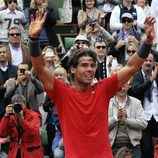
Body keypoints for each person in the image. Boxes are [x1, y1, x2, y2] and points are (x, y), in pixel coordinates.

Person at [28, 10, 155, 158]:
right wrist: (33, 39)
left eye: (92, 65)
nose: (90, 69)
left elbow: (131, 67)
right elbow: (40, 68)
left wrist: (147, 42)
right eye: (84, 65)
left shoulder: (103, 88)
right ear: (73, 69)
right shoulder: (62, 93)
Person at [108, 65, 147, 158]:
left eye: (124, 84)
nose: (122, 88)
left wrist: (126, 120)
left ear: (129, 85)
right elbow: (102, 127)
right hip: (113, 145)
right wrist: (116, 118)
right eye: (119, 85)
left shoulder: (136, 102)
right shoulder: (107, 103)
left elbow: (143, 124)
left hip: (132, 145)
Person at [130, 53, 158, 158]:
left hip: (156, 116)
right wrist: (151, 80)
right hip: (144, 117)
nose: (148, 63)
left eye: (150, 61)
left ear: (154, 63)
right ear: (141, 62)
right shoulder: (137, 76)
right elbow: (136, 91)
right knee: (146, 149)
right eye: (146, 60)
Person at [0, 94, 44, 158]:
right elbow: (2, 133)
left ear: (25, 105)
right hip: (15, 152)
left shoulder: (34, 115)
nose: (19, 108)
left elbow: (33, 132)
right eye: (16, 106)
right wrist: (6, 116)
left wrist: (21, 120)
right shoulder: (11, 117)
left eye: (21, 106)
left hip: (31, 153)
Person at [0, 44, 17, 120]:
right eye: (0, 52)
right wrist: (4, 86)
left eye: (4, 52)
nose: (2, 54)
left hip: (13, 106)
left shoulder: (15, 69)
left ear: (8, 53)